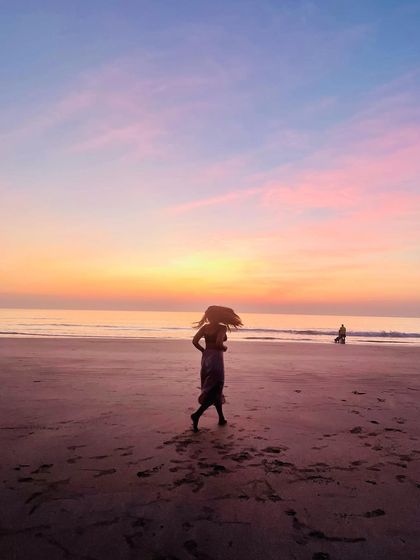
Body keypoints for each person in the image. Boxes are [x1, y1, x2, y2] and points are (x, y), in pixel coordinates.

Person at [190, 305, 243, 432]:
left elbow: (194, 341)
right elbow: (219, 343)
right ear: (220, 316)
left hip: (206, 359)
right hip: (216, 360)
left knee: (214, 389)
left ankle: (221, 418)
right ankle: (197, 414)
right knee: (216, 387)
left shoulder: (205, 328)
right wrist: (224, 348)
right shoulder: (222, 328)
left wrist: (204, 351)